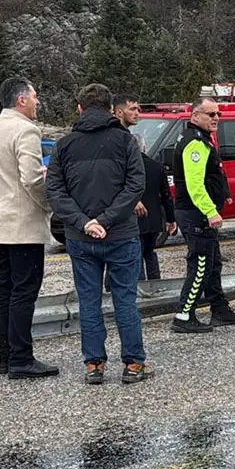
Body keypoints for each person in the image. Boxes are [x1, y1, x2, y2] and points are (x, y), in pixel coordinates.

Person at [47, 83, 153, 385]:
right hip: (121, 233)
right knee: (125, 300)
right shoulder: (125, 141)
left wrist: (84, 222)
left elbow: (54, 190)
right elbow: (135, 185)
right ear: (110, 109)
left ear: (79, 108)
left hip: (81, 238)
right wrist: (106, 220)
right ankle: (133, 363)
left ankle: (94, 364)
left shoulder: (64, 145)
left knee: (89, 301)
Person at [0, 76, 59, 380]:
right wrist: (49, 205)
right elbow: (32, 178)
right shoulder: (26, 130)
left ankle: (6, 356)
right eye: (35, 96)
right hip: (22, 222)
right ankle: (22, 358)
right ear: (21, 100)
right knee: (25, 291)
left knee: (6, 291)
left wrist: (1, 195)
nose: (38, 101)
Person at [171, 98, 235, 333]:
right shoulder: (195, 143)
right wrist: (210, 211)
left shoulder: (202, 140)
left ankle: (219, 309)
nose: (215, 118)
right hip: (195, 214)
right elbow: (195, 184)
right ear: (195, 116)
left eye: (218, 114)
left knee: (213, 263)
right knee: (201, 264)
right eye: (210, 114)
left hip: (198, 212)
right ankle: (184, 314)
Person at [134, 133, 175, 280]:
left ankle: (140, 286)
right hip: (153, 218)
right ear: (144, 147)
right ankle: (155, 282)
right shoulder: (156, 166)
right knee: (150, 252)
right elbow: (166, 195)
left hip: (133, 219)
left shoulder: (125, 167)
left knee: (135, 255)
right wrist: (171, 219)